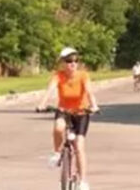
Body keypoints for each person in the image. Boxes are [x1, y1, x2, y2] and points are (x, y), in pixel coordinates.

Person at [37, 47, 100, 190]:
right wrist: (42, 104)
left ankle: (83, 181)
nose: (73, 64)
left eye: (75, 61)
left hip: (81, 112)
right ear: (63, 63)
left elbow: (89, 92)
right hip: (64, 111)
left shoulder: (83, 76)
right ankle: (57, 153)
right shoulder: (58, 76)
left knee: (79, 145)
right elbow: (50, 90)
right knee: (58, 127)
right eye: (69, 61)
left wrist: (94, 106)